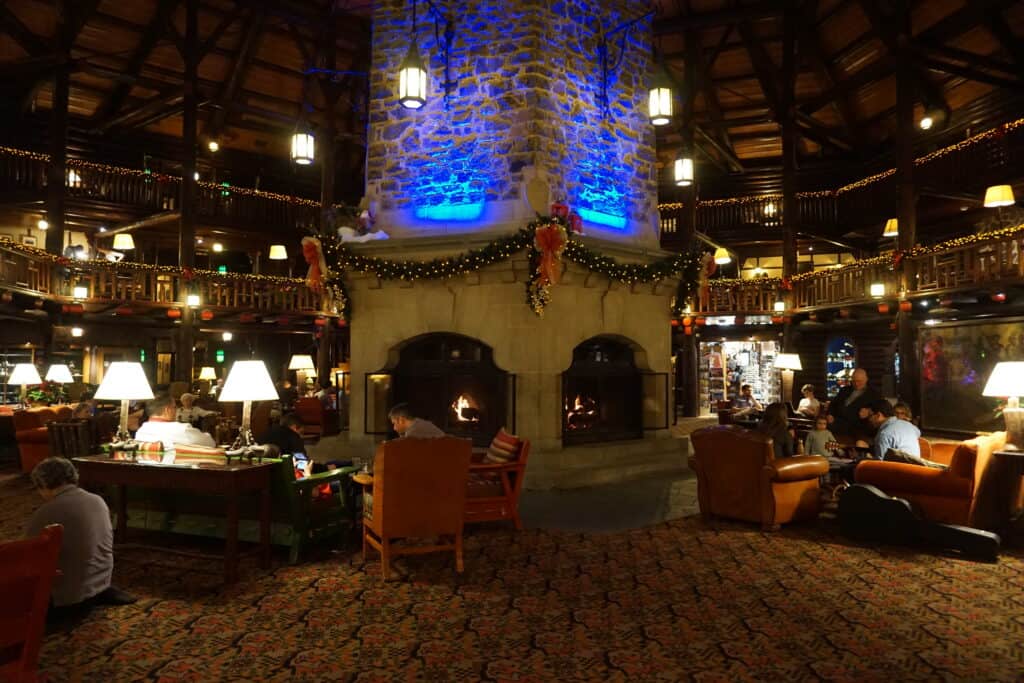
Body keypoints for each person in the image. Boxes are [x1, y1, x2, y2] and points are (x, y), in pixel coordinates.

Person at [25, 458, 136, 621]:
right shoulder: (97, 500)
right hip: (101, 585)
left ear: (43, 485)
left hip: (67, 601)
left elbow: (27, 558)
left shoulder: (46, 512)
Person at [862, 399, 944, 468]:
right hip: (915, 469)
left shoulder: (884, 434)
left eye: (870, 415)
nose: (869, 420)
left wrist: (864, 460)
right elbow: (918, 433)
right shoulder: (910, 426)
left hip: (899, 474)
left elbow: (880, 465)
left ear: (878, 415)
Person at [135, 396, 215, 449]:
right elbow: (211, 443)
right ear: (167, 410)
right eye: (174, 407)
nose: (176, 410)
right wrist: (207, 434)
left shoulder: (141, 431)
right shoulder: (183, 430)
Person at [826, 368, 882, 438]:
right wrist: (830, 414)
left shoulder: (874, 394)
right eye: (854, 381)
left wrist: (869, 411)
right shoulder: (844, 390)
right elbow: (833, 404)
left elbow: (880, 410)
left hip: (856, 428)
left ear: (866, 379)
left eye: (859, 381)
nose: (856, 384)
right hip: (836, 424)